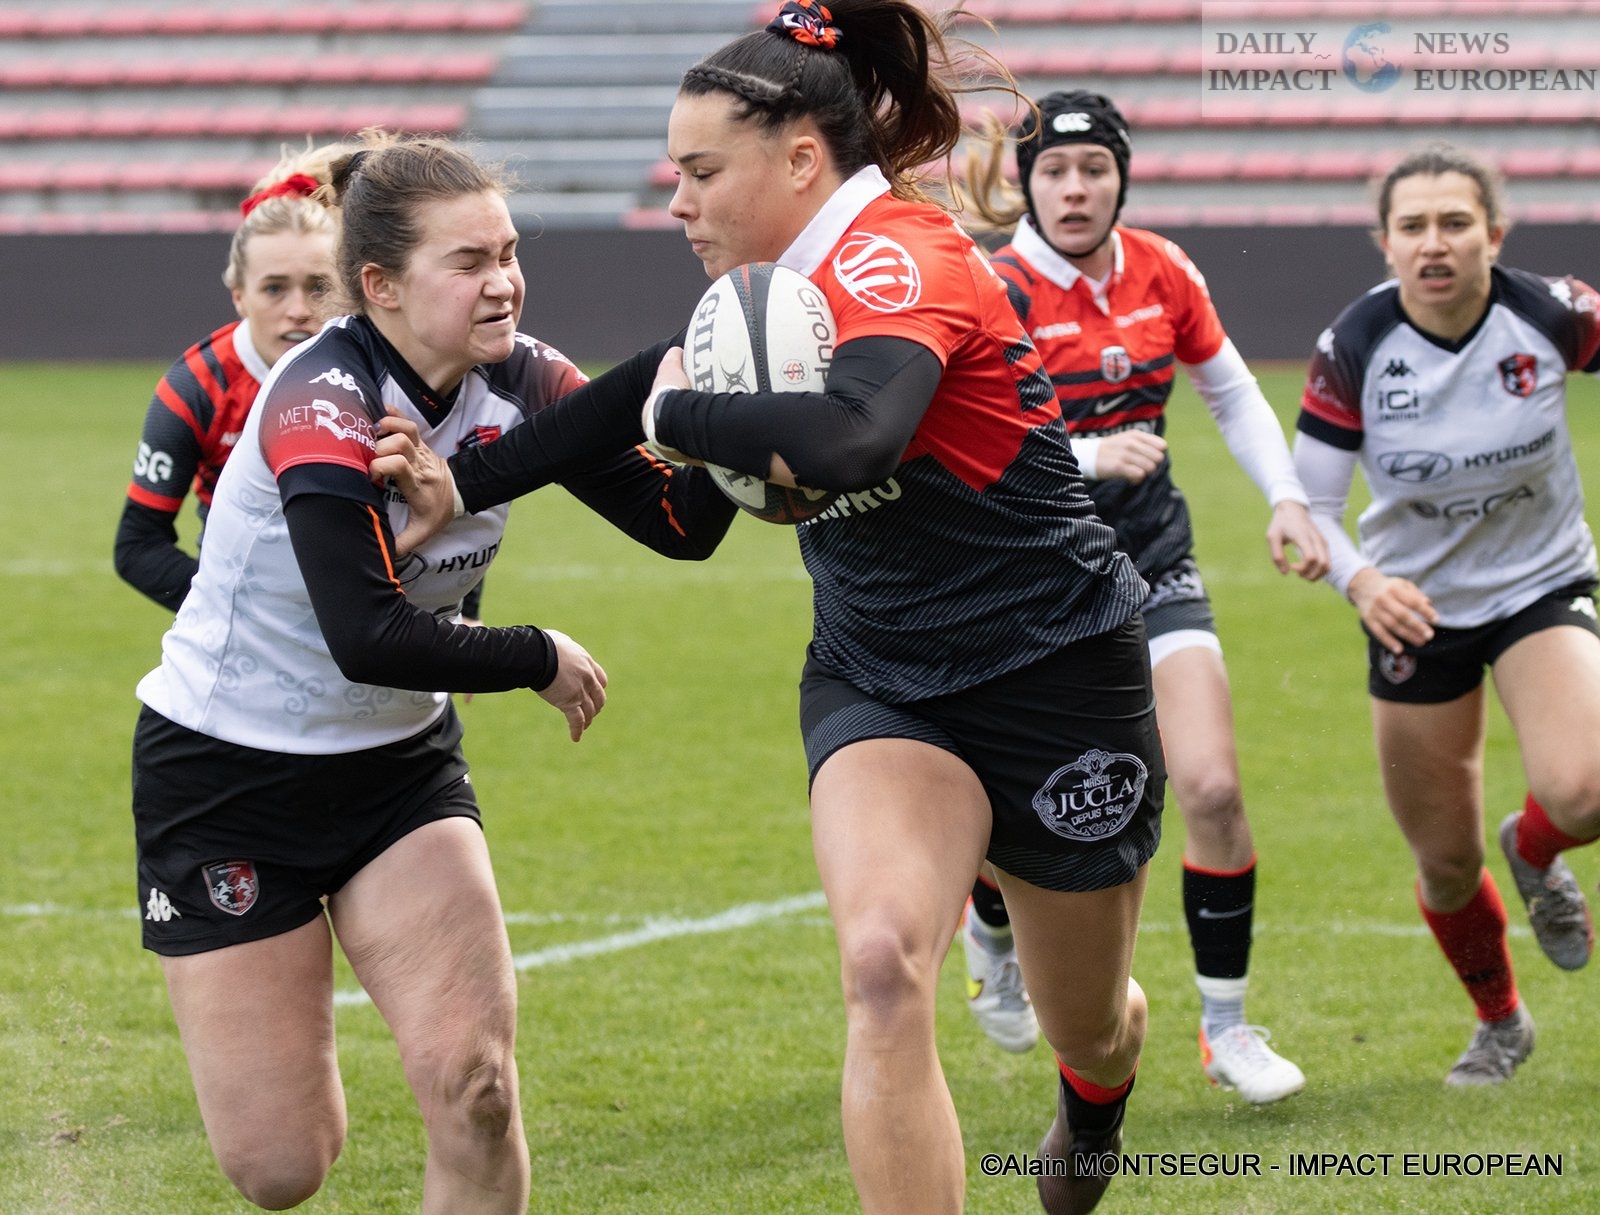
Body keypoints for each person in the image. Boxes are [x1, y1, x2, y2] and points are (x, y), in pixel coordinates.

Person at [373, 4, 1166, 1211]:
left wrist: (680, 417)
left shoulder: (902, 257)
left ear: (801, 160)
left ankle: (1097, 1089)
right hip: (882, 679)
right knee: (882, 970)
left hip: (1053, 671)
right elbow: (627, 394)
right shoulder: (775, 287)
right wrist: (460, 483)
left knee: (1091, 1024)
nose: (677, 203)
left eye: (700, 173)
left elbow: (852, 438)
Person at [131, 130, 737, 1211]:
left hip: (399, 772)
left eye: (508, 253)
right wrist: (536, 654)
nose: (502, 281)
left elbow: (678, 523)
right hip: (227, 778)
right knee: (280, 1166)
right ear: (383, 286)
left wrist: (729, 418)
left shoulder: (526, 374)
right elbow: (366, 633)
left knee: (478, 1088)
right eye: (469, 262)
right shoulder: (322, 399)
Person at [956, 90, 1327, 1106]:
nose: (1075, 189)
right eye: (1054, 171)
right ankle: (988, 926)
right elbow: (970, 441)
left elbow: (1232, 391)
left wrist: (1288, 497)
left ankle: (1228, 1028)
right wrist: (1087, 455)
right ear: (1027, 183)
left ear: (1121, 178)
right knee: (1021, 813)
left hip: (1152, 564)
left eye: (1095, 170)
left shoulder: (1164, 269)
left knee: (1210, 787)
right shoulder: (991, 288)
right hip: (1029, 581)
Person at [1293, 143, 1600, 1085]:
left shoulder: (1554, 314)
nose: (1435, 243)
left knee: (1586, 790)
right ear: (1384, 243)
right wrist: (1362, 583)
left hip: (1540, 583)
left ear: (1494, 235)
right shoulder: (1353, 346)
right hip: (1413, 611)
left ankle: (1537, 851)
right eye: (1414, 226)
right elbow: (1311, 509)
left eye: (1456, 223)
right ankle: (1500, 1020)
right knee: (1446, 862)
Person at [114, 143, 350, 610]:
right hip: (240, 628)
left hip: (368, 621)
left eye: (319, 287)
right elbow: (138, 545)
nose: (299, 310)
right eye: (274, 288)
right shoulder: (195, 389)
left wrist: (461, 610)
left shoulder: (381, 371)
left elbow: (444, 507)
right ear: (239, 295)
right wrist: (234, 610)